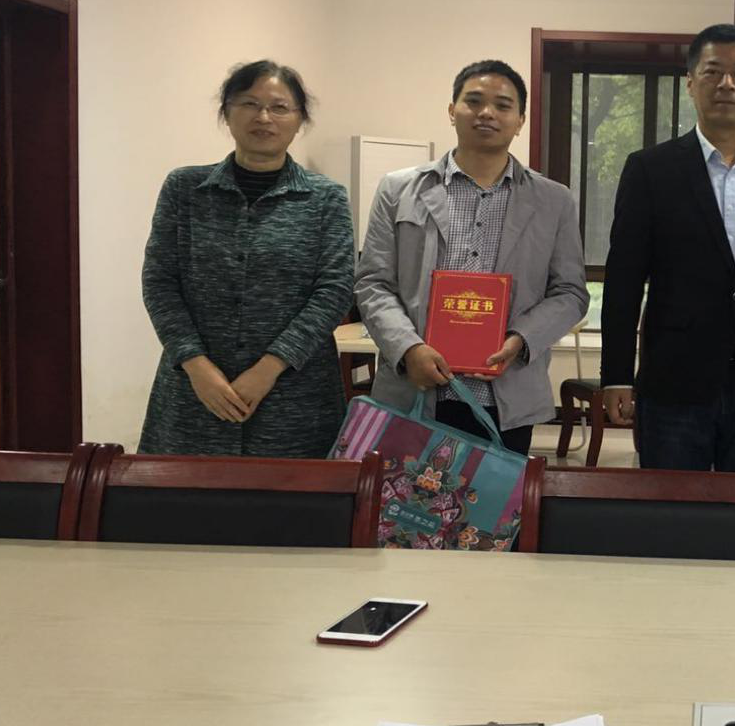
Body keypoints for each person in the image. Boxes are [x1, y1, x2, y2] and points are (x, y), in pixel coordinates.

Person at [601, 24, 735, 473]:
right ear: (690, 82)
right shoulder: (650, 170)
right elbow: (624, 280)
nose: (726, 84)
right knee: (672, 509)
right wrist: (617, 375)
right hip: (674, 381)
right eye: (712, 71)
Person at [355, 60, 588, 455]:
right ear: (452, 111)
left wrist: (522, 339)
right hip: (415, 390)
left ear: (520, 120)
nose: (487, 113)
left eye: (503, 105)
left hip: (507, 395)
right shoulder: (398, 189)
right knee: (405, 495)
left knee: (495, 495)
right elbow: (372, 282)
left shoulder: (554, 200)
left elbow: (570, 293)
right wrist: (408, 348)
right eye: (474, 101)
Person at [140, 60, 354, 457]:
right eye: (249, 104)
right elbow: (160, 281)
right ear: (227, 112)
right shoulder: (185, 188)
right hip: (194, 392)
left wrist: (268, 369)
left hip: (296, 398)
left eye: (279, 107)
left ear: (299, 119)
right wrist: (196, 365)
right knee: (183, 494)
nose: (263, 117)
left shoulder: (326, 198)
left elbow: (335, 290)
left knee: (292, 496)